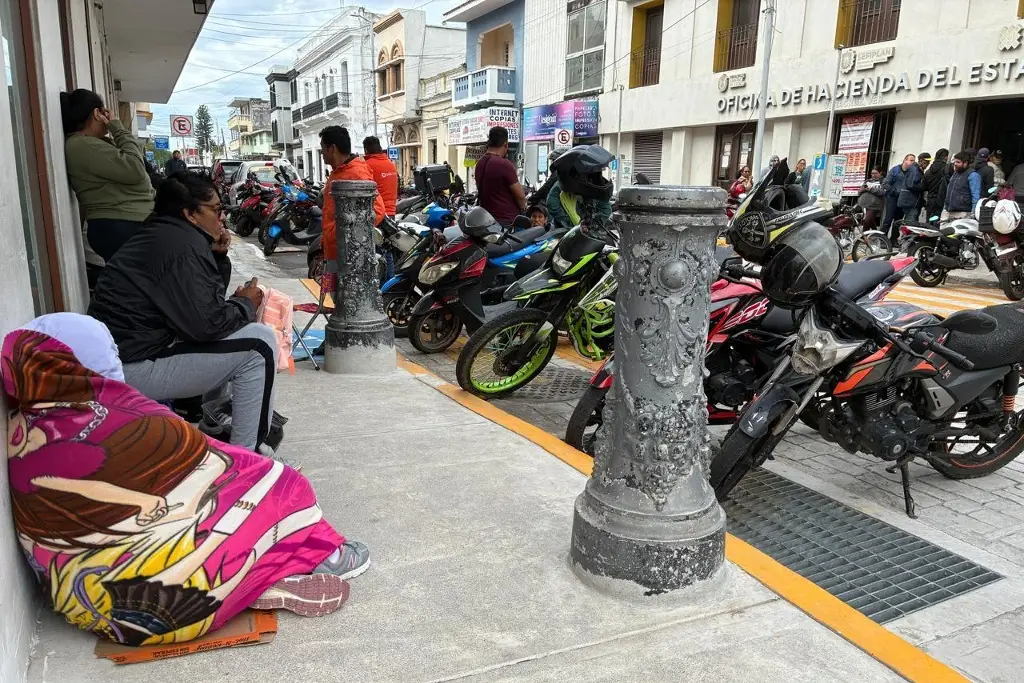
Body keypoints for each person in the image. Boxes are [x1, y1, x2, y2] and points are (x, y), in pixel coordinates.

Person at [3, 313, 371, 643]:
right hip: (174, 611)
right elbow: (222, 461)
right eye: (107, 351)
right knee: (284, 483)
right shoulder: (126, 416)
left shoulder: (24, 425)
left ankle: (246, 580)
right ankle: (315, 559)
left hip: (83, 603)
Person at [88, 173, 277, 453]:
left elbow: (203, 308)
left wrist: (218, 259)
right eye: (215, 209)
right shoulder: (180, 245)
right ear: (189, 213)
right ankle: (246, 461)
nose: (222, 217)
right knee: (259, 345)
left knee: (236, 331)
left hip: (128, 358)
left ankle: (215, 428)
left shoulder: (168, 235)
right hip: (129, 368)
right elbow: (207, 325)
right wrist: (246, 303)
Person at [61, 88, 154, 262]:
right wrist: (118, 129)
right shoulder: (82, 145)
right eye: (104, 112)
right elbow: (135, 169)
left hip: (126, 223)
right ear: (97, 113)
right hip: (121, 224)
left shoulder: (93, 144)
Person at [319, 126, 386, 284]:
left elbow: (377, 211)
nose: (321, 153)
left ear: (332, 148)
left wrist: (340, 232)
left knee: (346, 302)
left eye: (323, 148)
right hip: (335, 250)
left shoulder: (356, 173)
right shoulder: (338, 172)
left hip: (348, 255)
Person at [546, 145, 614, 232]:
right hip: (565, 233)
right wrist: (569, 223)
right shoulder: (563, 186)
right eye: (592, 172)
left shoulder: (593, 190)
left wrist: (592, 225)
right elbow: (552, 204)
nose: (596, 177)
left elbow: (605, 209)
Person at [475, 126, 527, 227]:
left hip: (486, 220)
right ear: (505, 144)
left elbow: (480, 188)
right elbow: (520, 196)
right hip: (506, 221)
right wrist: (523, 208)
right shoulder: (504, 164)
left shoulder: (480, 163)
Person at [883, 153, 919, 238]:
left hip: (903, 200)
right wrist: (894, 191)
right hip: (892, 198)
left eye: (914, 161)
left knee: (898, 220)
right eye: (911, 160)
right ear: (905, 160)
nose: (912, 162)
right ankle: (882, 238)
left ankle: (894, 238)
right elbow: (885, 183)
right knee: (888, 219)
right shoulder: (895, 170)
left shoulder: (912, 172)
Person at [362, 136, 399, 216]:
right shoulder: (391, 164)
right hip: (392, 212)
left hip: (377, 214)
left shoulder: (367, 165)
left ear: (366, 150)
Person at [942, 150, 981, 222]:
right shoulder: (955, 173)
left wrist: (973, 213)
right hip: (947, 211)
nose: (955, 164)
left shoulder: (973, 175)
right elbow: (949, 191)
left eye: (958, 162)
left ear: (965, 163)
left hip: (962, 213)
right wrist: (945, 207)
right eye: (955, 162)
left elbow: (975, 196)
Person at [923, 148, 950, 221]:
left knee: (929, 221)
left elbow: (924, 186)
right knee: (937, 222)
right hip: (941, 200)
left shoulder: (928, 171)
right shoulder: (947, 168)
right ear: (946, 157)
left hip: (930, 200)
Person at [856, 166, 886, 231]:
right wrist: (863, 189)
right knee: (870, 220)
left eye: (875, 173)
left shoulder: (883, 181)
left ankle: (864, 236)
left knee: (867, 220)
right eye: (872, 173)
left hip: (875, 205)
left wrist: (870, 189)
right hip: (864, 204)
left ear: (880, 173)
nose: (873, 175)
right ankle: (875, 234)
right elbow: (859, 192)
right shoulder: (868, 180)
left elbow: (882, 192)